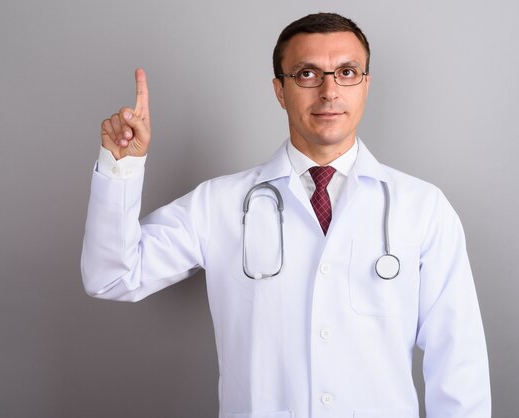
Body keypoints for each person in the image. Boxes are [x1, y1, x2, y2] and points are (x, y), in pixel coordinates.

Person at [81, 12, 490, 418]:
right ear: (280, 90)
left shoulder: (422, 207)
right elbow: (112, 276)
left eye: (346, 72)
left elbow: (458, 356)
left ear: (366, 85)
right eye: (307, 74)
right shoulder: (219, 204)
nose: (329, 91)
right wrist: (122, 167)